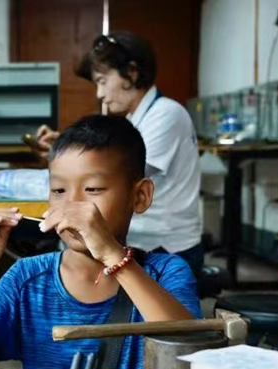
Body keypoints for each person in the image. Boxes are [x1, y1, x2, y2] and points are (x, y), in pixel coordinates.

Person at [0, 115, 202, 369]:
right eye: (59, 191)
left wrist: (113, 257)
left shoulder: (166, 273)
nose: (72, 206)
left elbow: (190, 357)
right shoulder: (26, 279)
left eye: (93, 189)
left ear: (140, 196)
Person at [36, 31, 203, 278]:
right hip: (145, 238)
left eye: (103, 81)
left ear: (132, 73)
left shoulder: (166, 114)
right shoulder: (139, 118)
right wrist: (64, 149)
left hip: (166, 247)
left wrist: (67, 164)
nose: (99, 94)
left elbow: (114, 174)